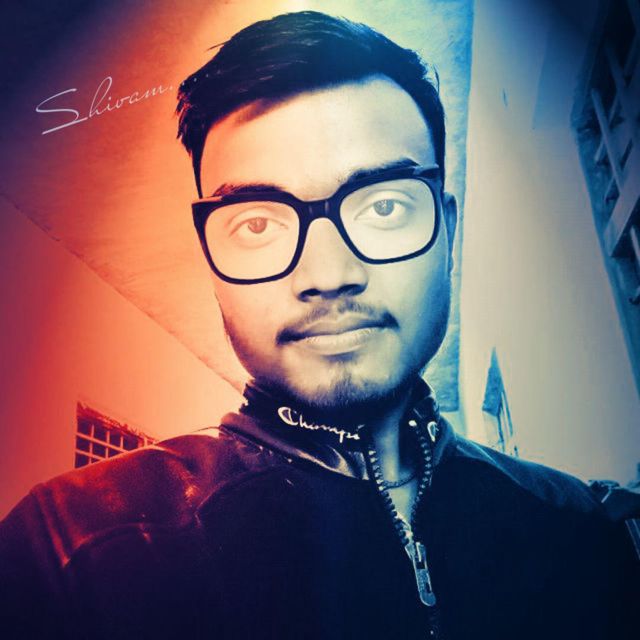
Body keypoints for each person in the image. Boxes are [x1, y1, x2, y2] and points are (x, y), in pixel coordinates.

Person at [0, 11, 637, 640]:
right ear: (211, 261)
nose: (329, 274)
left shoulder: (585, 532)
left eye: (383, 206)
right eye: (257, 223)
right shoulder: (66, 554)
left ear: (446, 228)